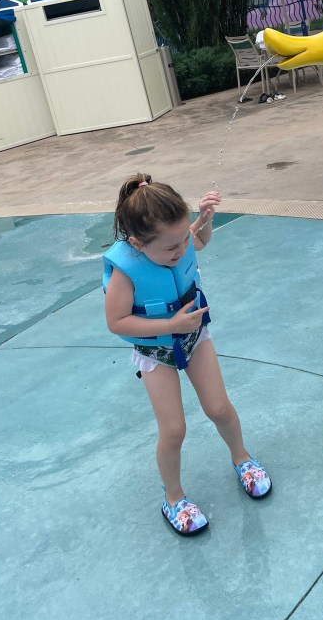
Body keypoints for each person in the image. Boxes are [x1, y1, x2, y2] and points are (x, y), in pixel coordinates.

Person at [103, 173, 271, 536]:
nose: (182, 250)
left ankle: (242, 457)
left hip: (195, 337)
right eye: (171, 248)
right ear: (136, 243)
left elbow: (199, 241)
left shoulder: (178, 240)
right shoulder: (125, 272)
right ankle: (174, 497)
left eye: (183, 240)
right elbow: (116, 322)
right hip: (155, 352)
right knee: (174, 430)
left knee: (219, 408)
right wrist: (169, 327)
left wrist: (205, 219)